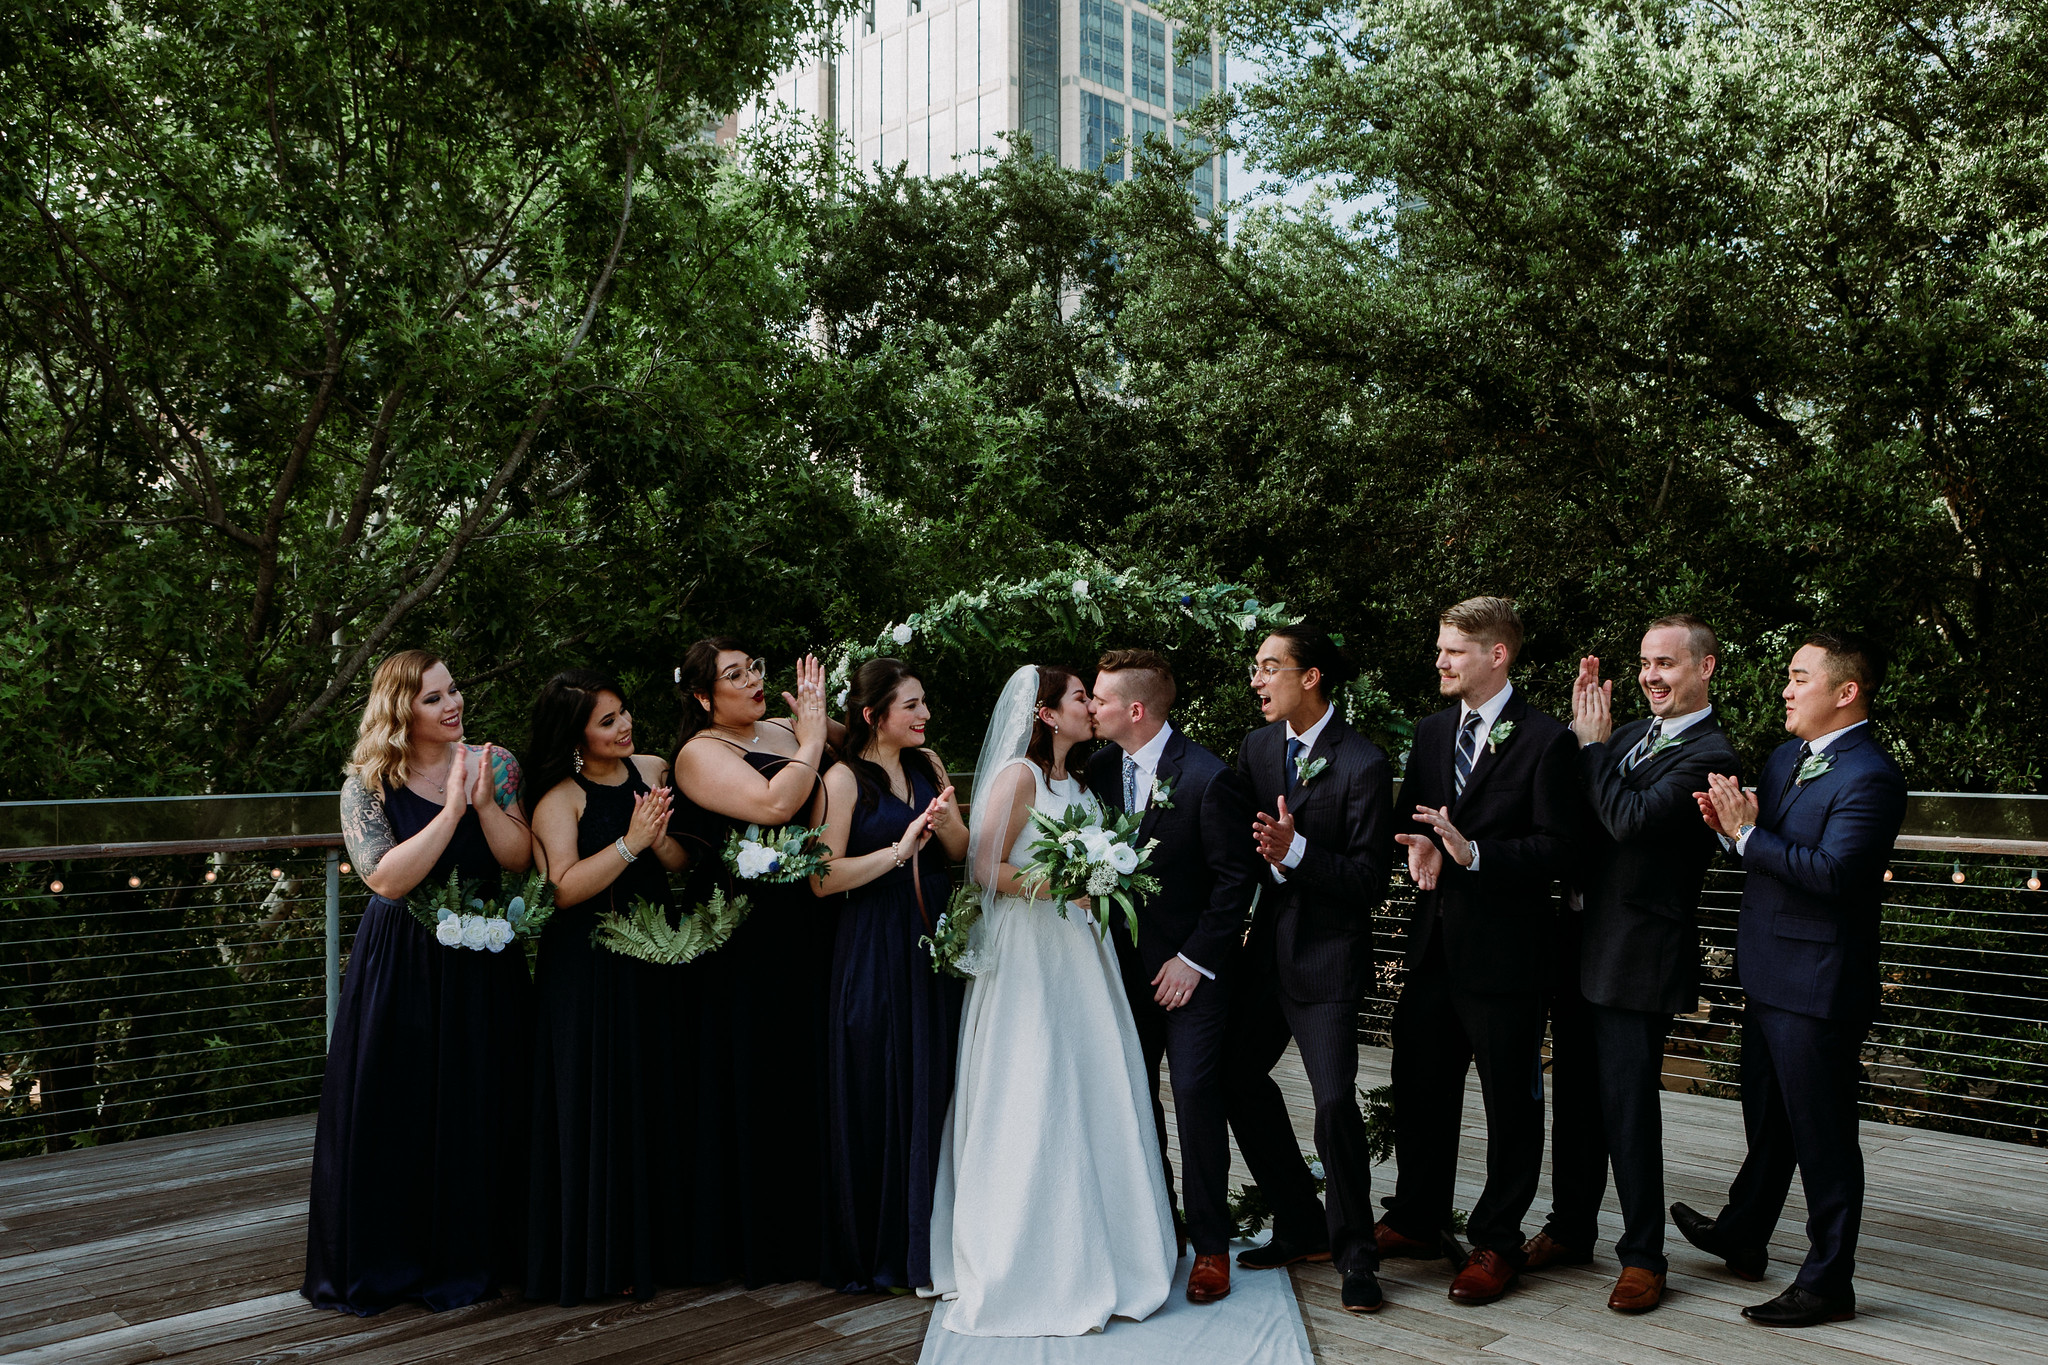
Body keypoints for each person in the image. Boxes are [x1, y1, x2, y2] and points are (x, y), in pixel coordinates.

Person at [928, 664, 1178, 1335]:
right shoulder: (1022, 778)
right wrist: (1065, 885)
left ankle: (1110, 1242)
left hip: (1081, 953)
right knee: (1034, 1084)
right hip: (1032, 952)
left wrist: (1096, 875)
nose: (1089, 708)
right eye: (1078, 698)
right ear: (1044, 713)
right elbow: (984, 867)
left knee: (1091, 1084)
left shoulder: (1083, 779)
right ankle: (1026, 1255)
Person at [1676, 631, 1907, 1328]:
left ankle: (1829, 1279)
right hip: (1769, 970)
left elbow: (1834, 875)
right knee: (1769, 1119)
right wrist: (1728, 828)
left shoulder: (1873, 776)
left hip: (1821, 983)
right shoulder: (1783, 759)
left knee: (1823, 1135)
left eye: (1799, 676)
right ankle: (1745, 1231)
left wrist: (1748, 837)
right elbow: (1768, 849)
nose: (1785, 687)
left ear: (1846, 691)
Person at [1523, 616, 1742, 1314]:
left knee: (1627, 1105)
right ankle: (1571, 1226)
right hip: (1582, 941)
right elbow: (1576, 811)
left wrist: (1592, 749)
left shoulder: (1711, 754)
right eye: (1646, 662)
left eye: (1667, 663)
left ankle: (1645, 1254)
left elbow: (1629, 821)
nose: (1651, 674)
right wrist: (1576, 736)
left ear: (1705, 669)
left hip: (1639, 951)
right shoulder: (1624, 739)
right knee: (1576, 1095)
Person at [304, 649, 534, 1314]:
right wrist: (451, 811)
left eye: (454, 689)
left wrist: (486, 803)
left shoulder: (499, 762)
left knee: (484, 1099)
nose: (453, 703)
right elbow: (386, 877)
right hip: (402, 962)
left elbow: (518, 858)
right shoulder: (368, 784)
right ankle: (391, 1255)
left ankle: (484, 1250)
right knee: (398, 1104)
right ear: (401, 708)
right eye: (434, 697)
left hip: (485, 956)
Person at [1383, 596, 1579, 1307]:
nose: (1439, 660)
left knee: (1511, 1104)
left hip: (1506, 956)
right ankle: (1416, 1216)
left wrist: (1476, 852)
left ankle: (1496, 1239)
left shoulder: (1547, 739)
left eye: (1453, 650)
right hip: (1434, 945)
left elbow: (1560, 848)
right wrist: (1427, 846)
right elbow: (1420, 818)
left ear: (1497, 654)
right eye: (1440, 648)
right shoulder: (1433, 731)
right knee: (1419, 1085)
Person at [1085, 649, 1263, 1306]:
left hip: (1192, 974)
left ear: (1135, 709)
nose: (1091, 707)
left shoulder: (1209, 778)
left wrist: (1193, 960)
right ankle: (1161, 1226)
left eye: (1100, 699)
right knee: (1135, 1099)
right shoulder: (1099, 770)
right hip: (1120, 969)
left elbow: (1234, 882)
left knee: (1193, 1098)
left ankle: (1211, 1245)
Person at [1226, 626, 1396, 1314]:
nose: (1257, 680)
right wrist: (1264, 855)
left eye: (1270, 667)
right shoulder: (1258, 748)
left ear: (1312, 676)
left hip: (1327, 960)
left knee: (1332, 1103)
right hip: (1265, 953)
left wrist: (1297, 853)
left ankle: (1357, 1254)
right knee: (1235, 1075)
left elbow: (1369, 880)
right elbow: (1238, 836)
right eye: (1256, 668)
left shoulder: (1363, 762)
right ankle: (1299, 1219)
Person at [670, 639, 835, 1287]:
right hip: (743, 930)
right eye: (733, 675)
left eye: (754, 668)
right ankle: (759, 1240)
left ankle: (815, 1224)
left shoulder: (782, 725)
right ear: (705, 697)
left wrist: (822, 716)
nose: (752, 680)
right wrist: (813, 739)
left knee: (807, 1062)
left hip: (805, 914)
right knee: (755, 1066)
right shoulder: (699, 752)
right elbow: (774, 804)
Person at [524, 669, 690, 1305]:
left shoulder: (650, 769)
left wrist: (660, 839)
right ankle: (602, 1254)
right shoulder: (559, 799)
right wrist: (630, 842)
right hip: (588, 970)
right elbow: (561, 890)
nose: (624, 728)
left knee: (652, 1093)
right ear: (576, 735)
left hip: (653, 950)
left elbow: (676, 862)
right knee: (598, 1103)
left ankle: (657, 1248)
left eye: (624, 713)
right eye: (607, 721)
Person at [811, 658, 968, 1294]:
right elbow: (821, 879)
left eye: (924, 702)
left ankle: (932, 1242)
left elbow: (958, 854)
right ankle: (880, 1246)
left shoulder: (929, 768)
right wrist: (895, 853)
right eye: (911, 705)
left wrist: (950, 825)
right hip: (874, 942)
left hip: (932, 940)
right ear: (875, 715)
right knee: (878, 1082)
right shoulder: (843, 780)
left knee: (934, 1079)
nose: (924, 714)